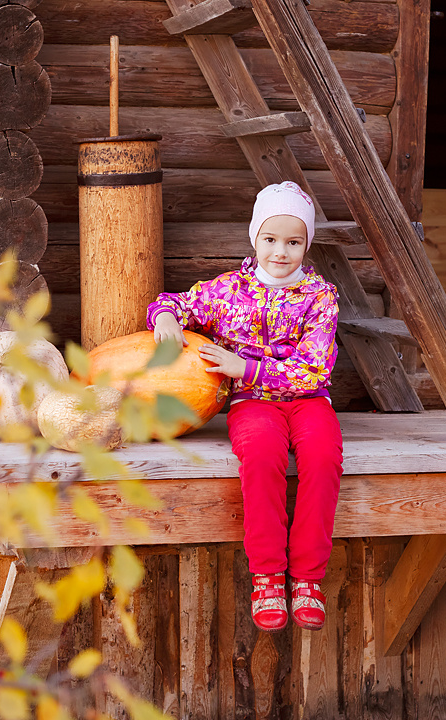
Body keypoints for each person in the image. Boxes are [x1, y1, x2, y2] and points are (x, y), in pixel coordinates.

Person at [147, 181, 344, 632]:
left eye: (294, 242)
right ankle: (268, 575)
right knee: (260, 457)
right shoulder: (227, 291)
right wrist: (163, 317)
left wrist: (245, 366)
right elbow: (174, 301)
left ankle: (309, 577)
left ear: (306, 244)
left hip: (308, 400)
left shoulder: (320, 296)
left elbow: (313, 369)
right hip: (253, 405)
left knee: (322, 457)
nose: (281, 252)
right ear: (255, 237)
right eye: (270, 240)